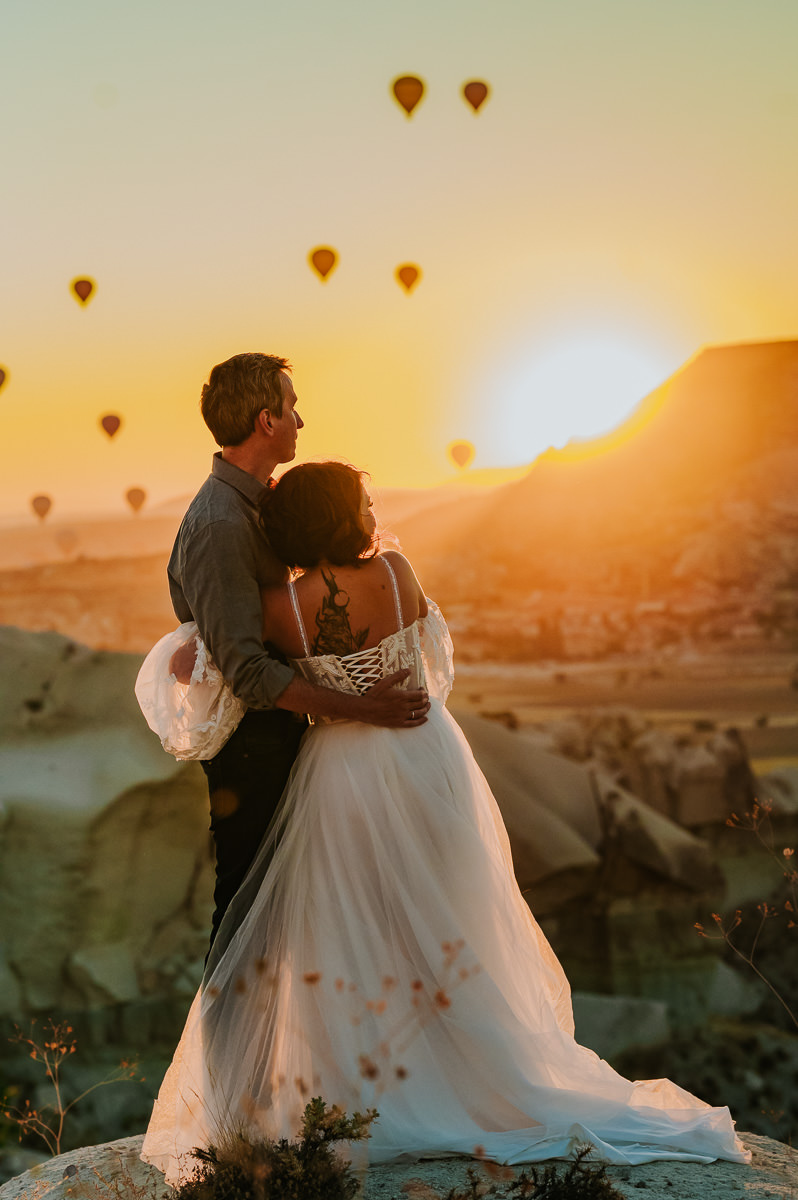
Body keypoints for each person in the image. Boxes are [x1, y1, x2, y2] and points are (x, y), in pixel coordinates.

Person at [139, 462, 751, 1184]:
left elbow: (229, 672)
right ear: (346, 514)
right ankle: (475, 1074)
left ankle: (365, 1097)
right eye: (362, 499)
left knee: (351, 932)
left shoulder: (282, 607)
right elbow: (432, 668)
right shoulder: (399, 571)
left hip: (340, 775)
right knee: (446, 920)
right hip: (427, 756)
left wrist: (197, 648)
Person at [162, 354, 429, 950]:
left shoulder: (260, 503)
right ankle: (229, 1043)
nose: (300, 421)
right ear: (266, 420)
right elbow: (249, 673)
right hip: (251, 750)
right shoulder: (221, 525)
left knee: (301, 916)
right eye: (292, 407)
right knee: (247, 916)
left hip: (285, 736)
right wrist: (364, 707)